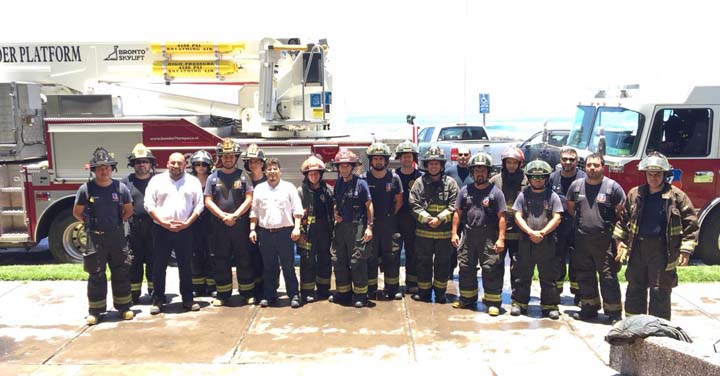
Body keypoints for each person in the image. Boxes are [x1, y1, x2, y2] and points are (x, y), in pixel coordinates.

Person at [613, 152, 698, 320]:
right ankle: (633, 326)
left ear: (665, 174)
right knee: (635, 288)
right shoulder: (635, 194)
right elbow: (623, 221)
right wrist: (619, 242)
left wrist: (686, 251)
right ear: (645, 174)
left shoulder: (676, 197)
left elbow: (691, 224)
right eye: (650, 174)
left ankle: (658, 331)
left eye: (657, 174)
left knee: (660, 291)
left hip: (663, 251)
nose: (653, 177)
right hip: (637, 250)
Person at [73, 147, 134, 325]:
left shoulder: (120, 188)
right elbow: (77, 212)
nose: (104, 170)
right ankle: (96, 311)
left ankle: (124, 307)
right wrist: (92, 224)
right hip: (95, 238)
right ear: (93, 170)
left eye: (107, 167)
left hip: (116, 236)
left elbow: (128, 211)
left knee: (121, 271)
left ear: (112, 169)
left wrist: (114, 224)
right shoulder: (86, 189)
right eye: (100, 168)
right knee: (96, 273)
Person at [567, 153, 625, 322]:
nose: (592, 168)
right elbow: (571, 207)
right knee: (585, 275)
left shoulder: (612, 187)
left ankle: (613, 313)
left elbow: (621, 212)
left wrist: (619, 240)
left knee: (608, 276)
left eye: (596, 165)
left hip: (605, 240)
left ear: (603, 166)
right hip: (582, 239)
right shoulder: (576, 186)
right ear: (584, 167)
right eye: (589, 165)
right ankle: (589, 308)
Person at [145, 152, 204, 314]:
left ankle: (187, 299)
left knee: (185, 266)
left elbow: (199, 206)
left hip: (185, 230)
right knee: (159, 265)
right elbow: (149, 204)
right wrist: (163, 222)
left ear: (185, 164)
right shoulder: (157, 181)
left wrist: (187, 223)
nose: (176, 166)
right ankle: (158, 299)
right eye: (173, 163)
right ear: (167, 164)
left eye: (180, 163)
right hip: (161, 229)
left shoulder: (193, 182)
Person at [451, 152, 506, 315]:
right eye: (476, 171)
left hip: (488, 236)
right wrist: (454, 233)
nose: (479, 174)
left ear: (488, 172)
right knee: (466, 267)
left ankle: (493, 302)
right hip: (468, 235)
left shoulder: (496, 193)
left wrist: (501, 238)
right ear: (472, 172)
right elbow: (457, 213)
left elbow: (502, 216)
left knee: (490, 268)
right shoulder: (464, 191)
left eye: (483, 171)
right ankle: (467, 298)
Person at [204, 139, 255, 306]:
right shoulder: (213, 177)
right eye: (225, 156)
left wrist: (235, 216)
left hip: (239, 225)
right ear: (221, 158)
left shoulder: (243, 176)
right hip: (219, 226)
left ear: (236, 158)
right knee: (221, 259)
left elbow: (249, 199)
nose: (228, 159)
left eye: (231, 156)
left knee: (244, 259)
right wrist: (223, 216)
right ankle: (223, 294)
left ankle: (247, 293)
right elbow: (208, 201)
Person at [249, 158, 304, 308]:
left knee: (288, 266)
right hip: (265, 233)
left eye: (275, 169)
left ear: (280, 171)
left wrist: (297, 228)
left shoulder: (289, 187)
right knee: (269, 266)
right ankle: (269, 295)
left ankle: (294, 295)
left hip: (285, 233)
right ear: (265, 172)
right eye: (269, 169)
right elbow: (254, 211)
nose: (272, 171)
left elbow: (297, 209)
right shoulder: (259, 189)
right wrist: (252, 229)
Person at [511, 160, 563, 320]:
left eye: (541, 177)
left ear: (546, 178)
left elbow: (557, 217)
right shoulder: (523, 194)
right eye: (534, 177)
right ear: (529, 178)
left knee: (548, 275)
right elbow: (517, 215)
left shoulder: (552, 195)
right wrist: (529, 232)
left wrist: (542, 233)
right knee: (522, 273)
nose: (538, 180)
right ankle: (519, 303)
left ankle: (550, 306)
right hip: (526, 242)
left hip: (546, 242)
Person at [409, 145, 458, 304]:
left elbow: (454, 206)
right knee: (423, 263)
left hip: (443, 235)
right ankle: (424, 293)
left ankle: (440, 294)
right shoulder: (419, 183)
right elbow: (414, 204)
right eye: (430, 163)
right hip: (423, 234)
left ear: (442, 165)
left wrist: (440, 219)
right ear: (426, 165)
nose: (433, 166)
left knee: (443, 264)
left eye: (436, 163)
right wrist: (428, 219)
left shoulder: (450, 183)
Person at [330, 148, 374, 308]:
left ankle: (360, 295)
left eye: (347, 166)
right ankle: (343, 293)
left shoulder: (361, 184)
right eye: (341, 166)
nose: (343, 169)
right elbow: (336, 201)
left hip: (358, 227)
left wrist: (369, 227)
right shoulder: (338, 184)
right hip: (341, 228)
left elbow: (369, 206)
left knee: (357, 260)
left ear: (352, 167)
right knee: (339, 260)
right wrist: (335, 212)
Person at [363, 142, 403, 300]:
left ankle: (392, 288)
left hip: (389, 224)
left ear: (386, 161)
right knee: (370, 256)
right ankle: (371, 288)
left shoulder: (394, 178)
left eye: (381, 159)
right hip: (371, 224)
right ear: (371, 161)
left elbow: (398, 200)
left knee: (391, 256)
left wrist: (390, 216)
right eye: (375, 159)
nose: (378, 161)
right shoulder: (364, 178)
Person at [547, 147, 586, 304]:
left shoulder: (583, 178)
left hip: (578, 224)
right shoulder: (552, 178)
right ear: (560, 161)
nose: (568, 162)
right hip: (558, 225)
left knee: (579, 260)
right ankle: (556, 293)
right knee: (557, 259)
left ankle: (579, 294)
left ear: (577, 161)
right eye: (565, 159)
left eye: (571, 159)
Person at [489, 146, 527, 293]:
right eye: (508, 162)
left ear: (520, 164)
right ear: (504, 163)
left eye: (514, 162)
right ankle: (494, 297)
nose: (511, 165)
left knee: (518, 267)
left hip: (519, 234)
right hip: (498, 233)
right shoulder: (495, 181)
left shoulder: (526, 181)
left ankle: (518, 299)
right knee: (495, 265)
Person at [297, 156, 335, 302]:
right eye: (311, 173)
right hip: (307, 233)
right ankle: (307, 292)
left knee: (325, 260)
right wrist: (300, 232)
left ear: (321, 174)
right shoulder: (300, 192)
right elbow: (296, 213)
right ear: (306, 175)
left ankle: (323, 290)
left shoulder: (328, 191)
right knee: (307, 262)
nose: (314, 176)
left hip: (325, 232)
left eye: (316, 173)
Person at [123, 143, 156, 304]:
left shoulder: (158, 181)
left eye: (145, 161)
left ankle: (155, 292)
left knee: (154, 260)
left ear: (151, 163)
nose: (141, 164)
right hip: (134, 228)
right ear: (132, 164)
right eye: (138, 162)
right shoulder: (125, 183)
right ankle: (133, 294)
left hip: (154, 227)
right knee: (133, 262)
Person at [393, 140, 423, 294]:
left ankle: (412, 283)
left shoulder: (421, 177)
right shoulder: (393, 176)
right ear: (399, 158)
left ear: (414, 158)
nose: (406, 159)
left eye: (409, 156)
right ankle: (393, 284)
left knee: (413, 251)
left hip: (414, 220)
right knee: (394, 251)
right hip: (396, 218)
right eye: (404, 156)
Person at [189, 149, 216, 298]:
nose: (201, 167)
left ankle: (211, 285)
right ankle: (198, 286)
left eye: (204, 164)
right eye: (198, 164)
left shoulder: (213, 180)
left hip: (211, 223)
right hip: (194, 223)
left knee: (211, 254)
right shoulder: (189, 181)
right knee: (195, 254)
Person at [243, 143, 268, 302]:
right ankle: (254, 290)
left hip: (265, 226)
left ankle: (267, 289)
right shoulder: (244, 181)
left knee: (266, 259)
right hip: (246, 227)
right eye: (250, 162)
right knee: (250, 259)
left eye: (256, 161)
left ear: (262, 163)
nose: (253, 164)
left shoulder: (269, 181)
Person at [444, 146, 473, 278]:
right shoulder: (449, 171)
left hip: (470, 215)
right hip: (453, 213)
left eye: (465, 155)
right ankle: (449, 270)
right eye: (460, 155)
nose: (462, 157)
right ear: (456, 156)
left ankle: (468, 269)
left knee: (469, 244)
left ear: (469, 156)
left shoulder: (475, 171)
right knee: (452, 244)